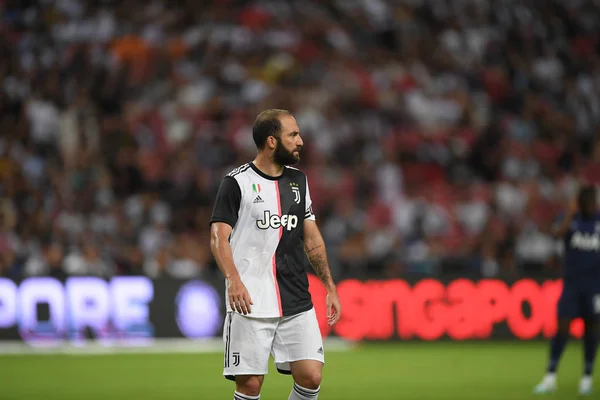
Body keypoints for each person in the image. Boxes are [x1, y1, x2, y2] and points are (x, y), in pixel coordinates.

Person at [209, 109, 342, 400]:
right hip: (251, 299)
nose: (301, 141)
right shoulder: (236, 183)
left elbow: (312, 238)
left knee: (311, 376)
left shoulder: (299, 182)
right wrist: (233, 279)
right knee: (250, 385)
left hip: (295, 296)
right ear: (272, 141)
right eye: (293, 134)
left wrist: (329, 285)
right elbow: (219, 236)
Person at [534, 185, 600, 396]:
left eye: (593, 200)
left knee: (592, 330)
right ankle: (551, 375)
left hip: (595, 286)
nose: (591, 204)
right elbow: (556, 234)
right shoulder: (571, 221)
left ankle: (587, 377)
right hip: (571, 285)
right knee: (562, 327)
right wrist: (570, 213)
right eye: (586, 200)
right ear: (579, 202)